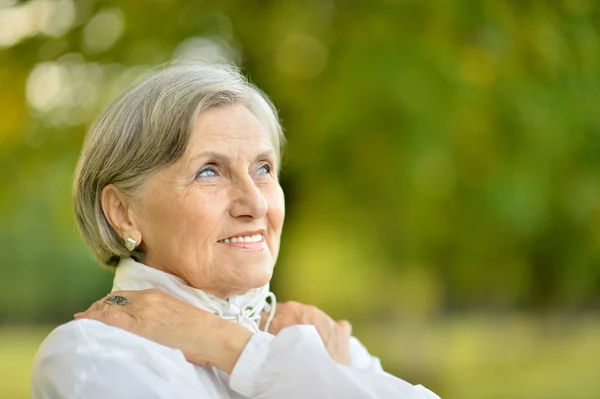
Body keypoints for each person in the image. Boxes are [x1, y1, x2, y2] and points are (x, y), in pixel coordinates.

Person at [31, 64, 440, 399]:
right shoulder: (92, 354)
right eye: (209, 171)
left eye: (263, 169)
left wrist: (234, 348)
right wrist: (316, 375)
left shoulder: (317, 338)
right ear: (123, 214)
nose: (256, 204)